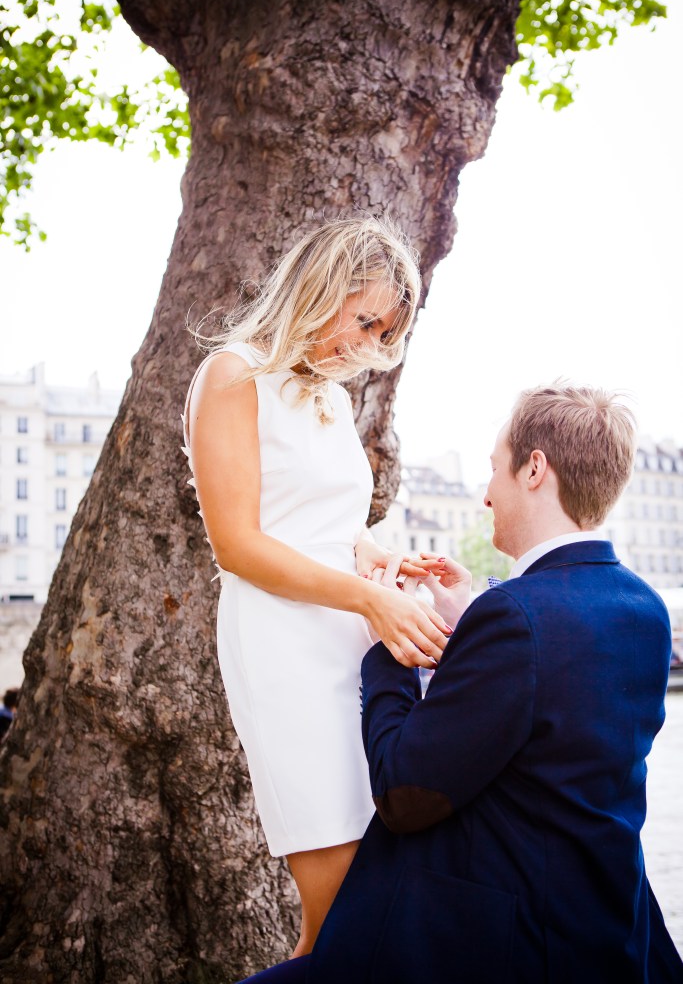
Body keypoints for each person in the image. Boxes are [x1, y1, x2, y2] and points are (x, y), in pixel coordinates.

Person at [242, 383, 683, 983]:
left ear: (534, 469)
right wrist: (465, 622)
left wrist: (390, 644)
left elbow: (404, 794)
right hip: (610, 926)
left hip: (501, 939)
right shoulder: (642, 608)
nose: (485, 495)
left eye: (494, 469)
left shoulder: (517, 619)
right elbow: (550, 722)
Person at [183, 215, 451, 957]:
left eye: (382, 332)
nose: (366, 345)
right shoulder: (233, 375)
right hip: (282, 644)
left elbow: (328, 524)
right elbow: (237, 544)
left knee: (375, 893)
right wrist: (369, 597)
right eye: (363, 319)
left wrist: (380, 559)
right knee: (339, 913)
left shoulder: (329, 395)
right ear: (322, 285)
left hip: (348, 640)